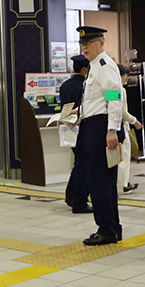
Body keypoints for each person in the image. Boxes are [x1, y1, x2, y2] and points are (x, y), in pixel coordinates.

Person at [75, 26, 126, 246]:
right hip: (93, 126)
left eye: (89, 43)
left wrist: (112, 129)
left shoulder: (105, 66)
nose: (85, 47)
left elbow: (114, 97)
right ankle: (111, 227)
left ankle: (107, 229)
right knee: (102, 181)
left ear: (101, 43)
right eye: (82, 44)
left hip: (101, 128)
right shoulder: (94, 66)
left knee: (99, 182)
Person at [61, 55, 91, 213]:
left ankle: (71, 196)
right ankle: (79, 200)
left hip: (68, 128)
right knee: (84, 165)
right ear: (85, 69)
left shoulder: (65, 85)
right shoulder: (86, 85)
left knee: (79, 163)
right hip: (84, 128)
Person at [119, 66, 142, 195]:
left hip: (111, 127)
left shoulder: (108, 89)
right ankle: (124, 184)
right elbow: (122, 112)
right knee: (124, 157)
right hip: (121, 127)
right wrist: (135, 121)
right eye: (124, 75)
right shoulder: (120, 90)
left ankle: (121, 183)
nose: (126, 78)